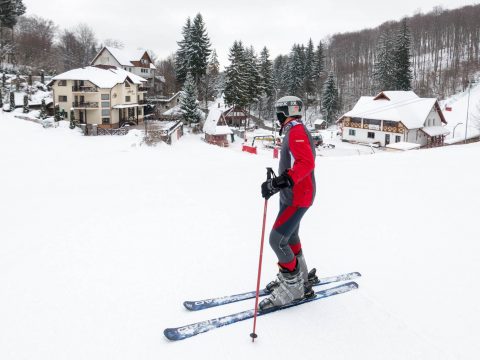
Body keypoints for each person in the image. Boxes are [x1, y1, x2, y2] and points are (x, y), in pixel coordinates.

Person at [260, 96, 316, 310]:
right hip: (292, 194)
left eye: (279, 111)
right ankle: (301, 280)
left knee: (277, 240)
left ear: (286, 111)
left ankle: (294, 289)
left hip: (298, 196)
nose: (277, 116)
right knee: (290, 236)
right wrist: (276, 184)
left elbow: (306, 162)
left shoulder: (297, 131)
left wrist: (283, 181)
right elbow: (294, 164)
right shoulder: (293, 130)